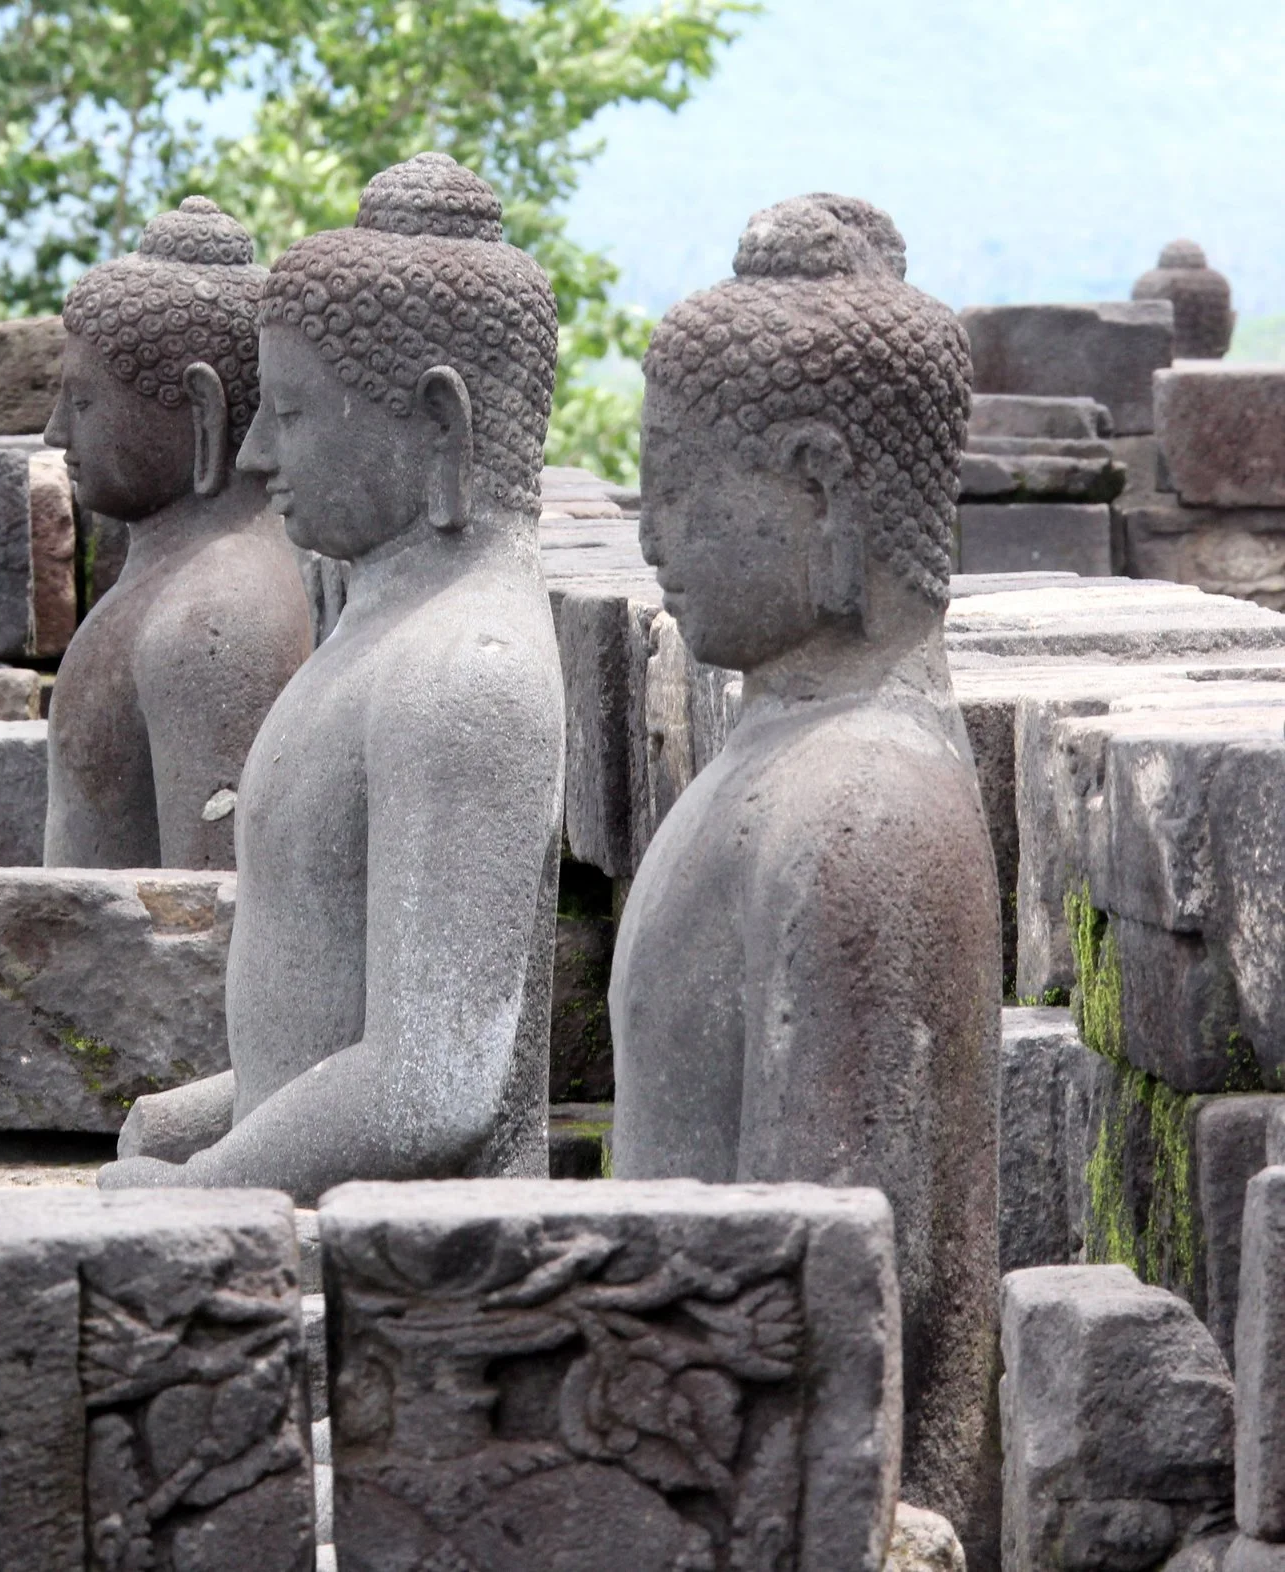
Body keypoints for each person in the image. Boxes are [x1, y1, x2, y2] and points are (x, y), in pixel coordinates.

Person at [610, 192, 998, 1554]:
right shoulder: (787, 747)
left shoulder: (861, 816)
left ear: (822, 485)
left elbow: (815, 1319)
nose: (646, 532)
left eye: (676, 486)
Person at [99, 154, 564, 1199]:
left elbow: (433, 1086)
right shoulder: (379, 629)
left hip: (416, 1282)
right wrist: (198, 1120)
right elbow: (325, 1034)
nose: (257, 454)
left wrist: (208, 1182)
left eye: (295, 414)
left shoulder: (465, 675)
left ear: (436, 426)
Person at [43, 196, 313, 870]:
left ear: (203, 409)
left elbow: (205, 920)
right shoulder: (176, 583)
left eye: (82, 402)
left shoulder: (218, 618)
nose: (56, 433)